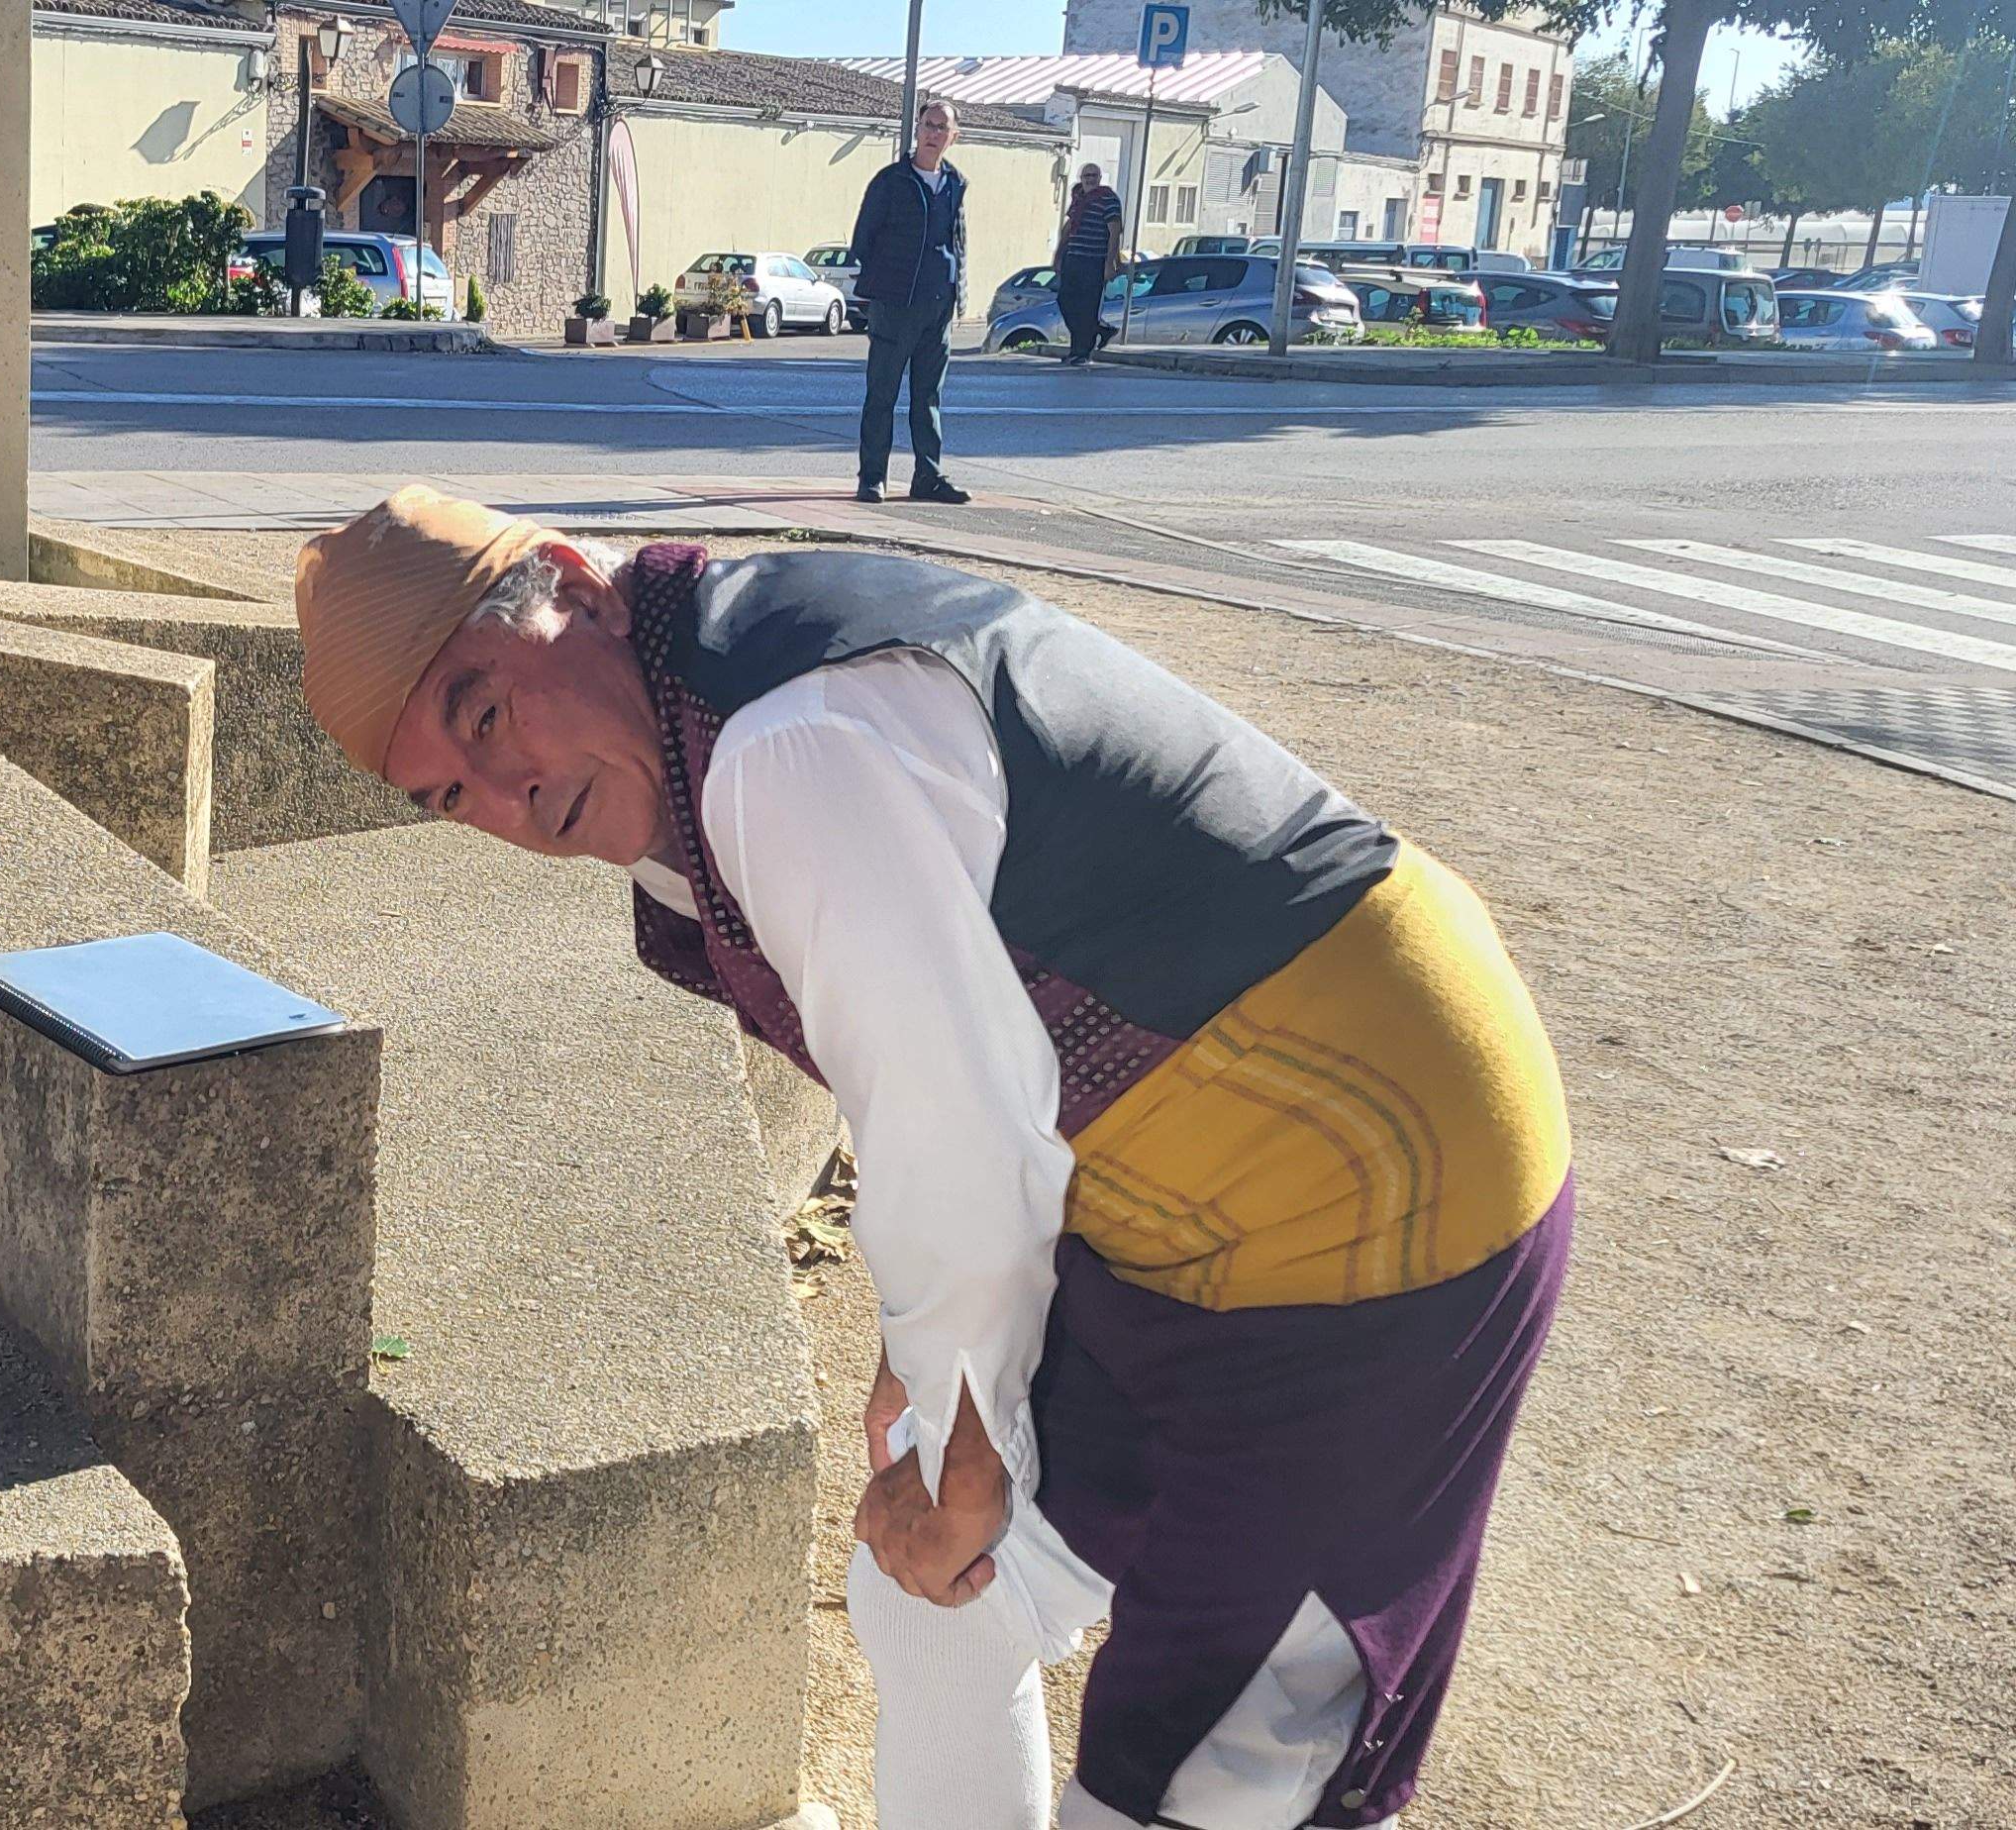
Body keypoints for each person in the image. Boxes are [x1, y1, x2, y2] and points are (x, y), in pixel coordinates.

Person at [289, 485, 1575, 1830]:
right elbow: (936, 1076)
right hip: (1159, 1187)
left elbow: (954, 1134)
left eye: (486, 712)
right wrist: (927, 1385)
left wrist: (956, 1428)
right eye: (448, 795)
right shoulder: (701, 713)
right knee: (937, 1600)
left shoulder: (792, 741)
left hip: (1380, 1170)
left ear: (578, 585)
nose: (506, 794)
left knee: (1223, 1773)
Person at [848, 98, 969, 506]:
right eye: (928, 125)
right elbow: (862, 238)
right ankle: (872, 478)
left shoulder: (955, 183)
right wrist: (886, 283)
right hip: (894, 306)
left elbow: (958, 241)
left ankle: (928, 477)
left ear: (954, 136)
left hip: (938, 306)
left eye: (942, 128)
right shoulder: (891, 181)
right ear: (917, 129)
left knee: (928, 396)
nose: (934, 134)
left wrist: (958, 292)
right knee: (882, 395)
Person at [1055, 163, 1123, 364]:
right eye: (1086, 175)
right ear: (1081, 177)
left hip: (1094, 261)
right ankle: (1100, 329)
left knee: (1087, 307)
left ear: (1100, 177)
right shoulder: (1078, 199)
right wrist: (1058, 256)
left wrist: (1110, 262)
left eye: (1094, 175)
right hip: (1073, 258)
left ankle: (1081, 352)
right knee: (1065, 301)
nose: (1089, 179)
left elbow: (1114, 231)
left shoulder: (1108, 199)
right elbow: (1068, 228)